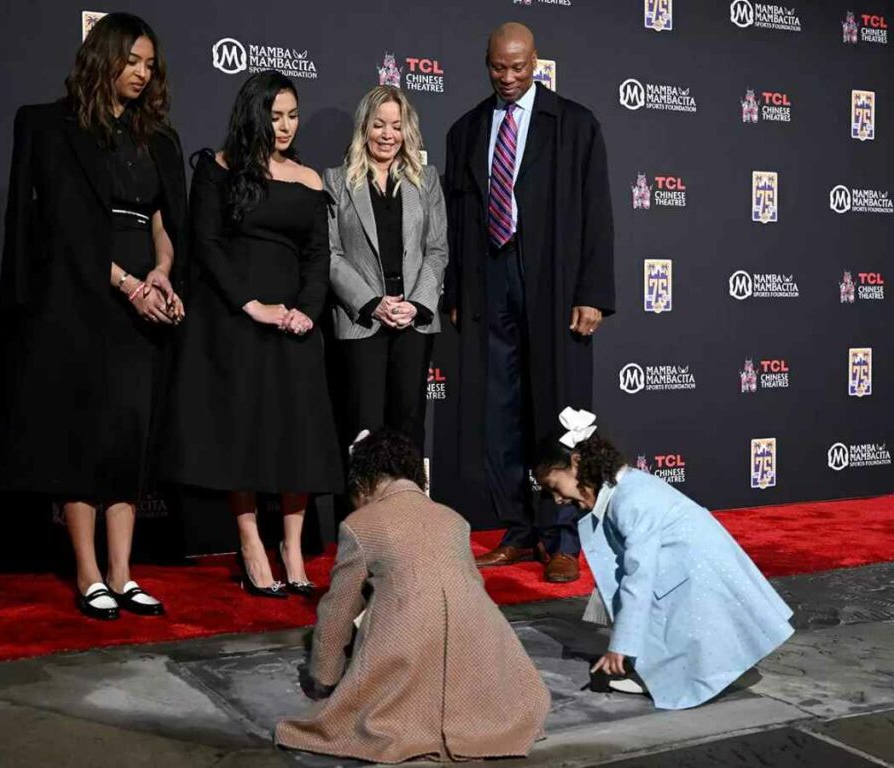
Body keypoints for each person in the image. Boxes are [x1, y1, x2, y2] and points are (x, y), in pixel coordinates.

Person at [0, 12, 187, 620]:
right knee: (84, 439)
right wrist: (127, 285)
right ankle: (88, 571)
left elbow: (161, 217)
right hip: (80, 301)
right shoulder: (52, 126)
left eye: (150, 65)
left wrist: (162, 272)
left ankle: (124, 573)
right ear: (104, 59)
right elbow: (62, 230)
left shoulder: (158, 138)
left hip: (141, 302)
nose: (142, 74)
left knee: (129, 439)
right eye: (132, 61)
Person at [443, 22, 615, 583]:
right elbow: (455, 223)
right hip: (490, 281)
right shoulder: (466, 130)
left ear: (537, 61)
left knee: (563, 411)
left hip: (555, 284)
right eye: (499, 67)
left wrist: (593, 293)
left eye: (519, 67)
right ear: (486, 63)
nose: (509, 78)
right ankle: (518, 530)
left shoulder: (575, 125)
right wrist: (454, 290)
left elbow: (597, 216)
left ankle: (563, 535)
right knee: (500, 412)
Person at [163, 71, 343, 599]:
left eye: (292, 115)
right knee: (241, 432)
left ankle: (291, 546)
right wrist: (252, 305)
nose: (284, 126)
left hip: (295, 322)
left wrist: (307, 312)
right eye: (274, 115)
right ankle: (250, 542)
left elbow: (317, 257)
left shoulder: (310, 180)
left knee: (299, 435)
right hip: (234, 320)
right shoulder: (218, 170)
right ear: (253, 114)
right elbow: (208, 246)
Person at [275, 429, 549, 762]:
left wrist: (325, 677)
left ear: (364, 481)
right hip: (482, 644)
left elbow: (338, 610)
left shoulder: (360, 525)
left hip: (407, 644)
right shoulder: (454, 520)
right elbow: (470, 587)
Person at [533, 408, 795, 710]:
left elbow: (637, 575)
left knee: (660, 604)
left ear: (576, 463)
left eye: (554, 487)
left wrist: (621, 645)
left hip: (695, 568)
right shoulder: (622, 487)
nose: (557, 500)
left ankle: (661, 674)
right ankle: (668, 665)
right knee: (662, 605)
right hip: (691, 564)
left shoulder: (629, 500)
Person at [323, 85, 447, 453]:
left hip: (414, 320)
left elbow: (437, 250)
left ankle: (405, 510)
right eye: (379, 125)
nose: (388, 135)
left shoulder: (426, 181)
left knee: (407, 427)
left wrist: (416, 304)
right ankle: (364, 512)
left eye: (396, 125)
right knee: (363, 430)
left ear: (407, 130)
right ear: (365, 127)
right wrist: (372, 302)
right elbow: (330, 253)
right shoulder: (337, 180)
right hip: (362, 320)